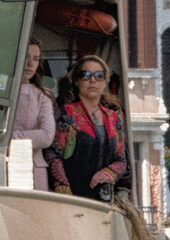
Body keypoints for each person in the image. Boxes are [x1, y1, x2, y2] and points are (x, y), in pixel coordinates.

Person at [46, 55, 127, 201]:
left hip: (104, 201)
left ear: (105, 82)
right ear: (77, 81)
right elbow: (53, 156)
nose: (92, 80)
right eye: (86, 75)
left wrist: (108, 173)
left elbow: (121, 160)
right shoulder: (67, 114)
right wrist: (63, 188)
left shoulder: (113, 118)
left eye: (99, 76)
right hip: (73, 199)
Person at [10, 39, 56, 191]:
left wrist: (8, 139)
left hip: (32, 169)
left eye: (35, 59)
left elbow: (47, 135)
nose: (30, 63)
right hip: (2, 162)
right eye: (26, 56)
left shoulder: (43, 96)